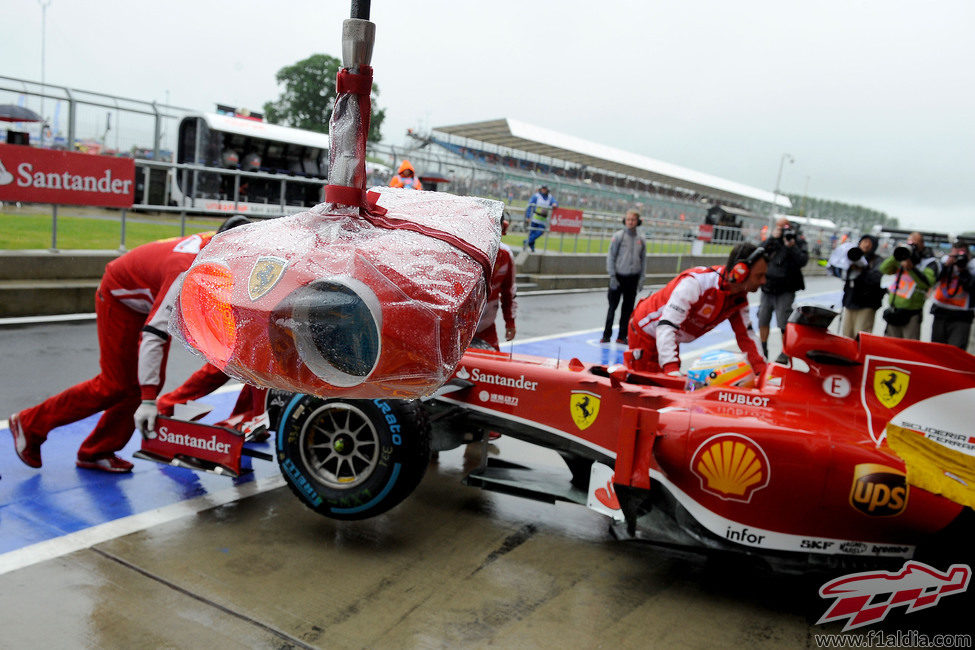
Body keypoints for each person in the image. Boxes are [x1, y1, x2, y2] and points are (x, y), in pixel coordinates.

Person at [8, 216, 250, 473]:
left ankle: (96, 451)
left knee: (140, 381)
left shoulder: (218, 246)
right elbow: (155, 332)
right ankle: (30, 423)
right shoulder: (186, 269)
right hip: (120, 296)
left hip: (145, 294)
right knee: (117, 385)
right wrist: (148, 400)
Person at [626, 242, 768, 377]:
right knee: (649, 385)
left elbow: (746, 337)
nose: (763, 281)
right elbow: (666, 326)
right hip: (646, 331)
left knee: (668, 380)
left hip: (670, 337)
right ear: (740, 272)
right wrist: (670, 368)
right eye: (759, 276)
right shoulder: (697, 283)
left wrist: (762, 372)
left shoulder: (738, 299)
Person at [758, 217, 808, 364]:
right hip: (768, 287)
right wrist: (773, 238)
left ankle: (785, 352)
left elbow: (803, 260)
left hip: (786, 288)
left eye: (786, 227)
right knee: (763, 318)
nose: (784, 230)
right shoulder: (773, 241)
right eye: (780, 227)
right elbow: (760, 251)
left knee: (783, 322)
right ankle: (763, 349)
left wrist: (792, 246)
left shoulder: (797, 241)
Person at [879, 231, 939, 340]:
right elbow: (884, 269)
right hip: (895, 309)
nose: (912, 246)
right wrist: (897, 254)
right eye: (910, 243)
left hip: (912, 312)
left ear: (922, 244)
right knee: (890, 346)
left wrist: (911, 268)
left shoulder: (929, 261)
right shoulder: (902, 256)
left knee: (909, 347)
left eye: (914, 244)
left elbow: (927, 283)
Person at [601, 209, 646, 344]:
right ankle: (606, 335)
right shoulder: (618, 236)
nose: (630, 222)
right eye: (628, 220)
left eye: (633, 220)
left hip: (633, 279)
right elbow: (611, 257)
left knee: (627, 310)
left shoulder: (641, 239)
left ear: (637, 221)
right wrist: (612, 276)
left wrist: (641, 279)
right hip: (618, 278)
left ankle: (622, 336)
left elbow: (643, 260)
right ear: (624, 221)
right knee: (612, 308)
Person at [473, 216, 517, 350]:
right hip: (459, 329)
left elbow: (509, 292)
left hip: (487, 329)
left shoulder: (505, 255)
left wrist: (510, 322)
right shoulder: (466, 251)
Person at [929, 241, 975, 349]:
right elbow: (931, 281)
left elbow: (972, 288)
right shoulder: (945, 263)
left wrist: (963, 271)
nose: (958, 259)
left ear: (968, 255)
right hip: (940, 312)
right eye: (955, 255)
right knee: (937, 349)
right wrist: (946, 266)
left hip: (961, 316)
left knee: (956, 350)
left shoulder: (972, 267)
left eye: (961, 256)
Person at [840, 234, 885, 338]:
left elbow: (875, 277)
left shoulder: (878, 260)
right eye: (864, 241)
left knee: (861, 335)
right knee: (847, 334)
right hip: (850, 301)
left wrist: (863, 269)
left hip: (867, 303)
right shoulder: (851, 257)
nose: (866, 244)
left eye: (869, 242)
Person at [523, 186, 557, 252]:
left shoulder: (550, 197)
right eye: (543, 189)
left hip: (543, 220)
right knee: (532, 233)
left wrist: (555, 204)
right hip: (535, 218)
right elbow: (530, 206)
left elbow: (555, 203)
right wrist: (528, 216)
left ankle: (527, 241)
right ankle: (532, 248)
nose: (543, 190)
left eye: (545, 189)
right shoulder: (536, 196)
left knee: (539, 232)